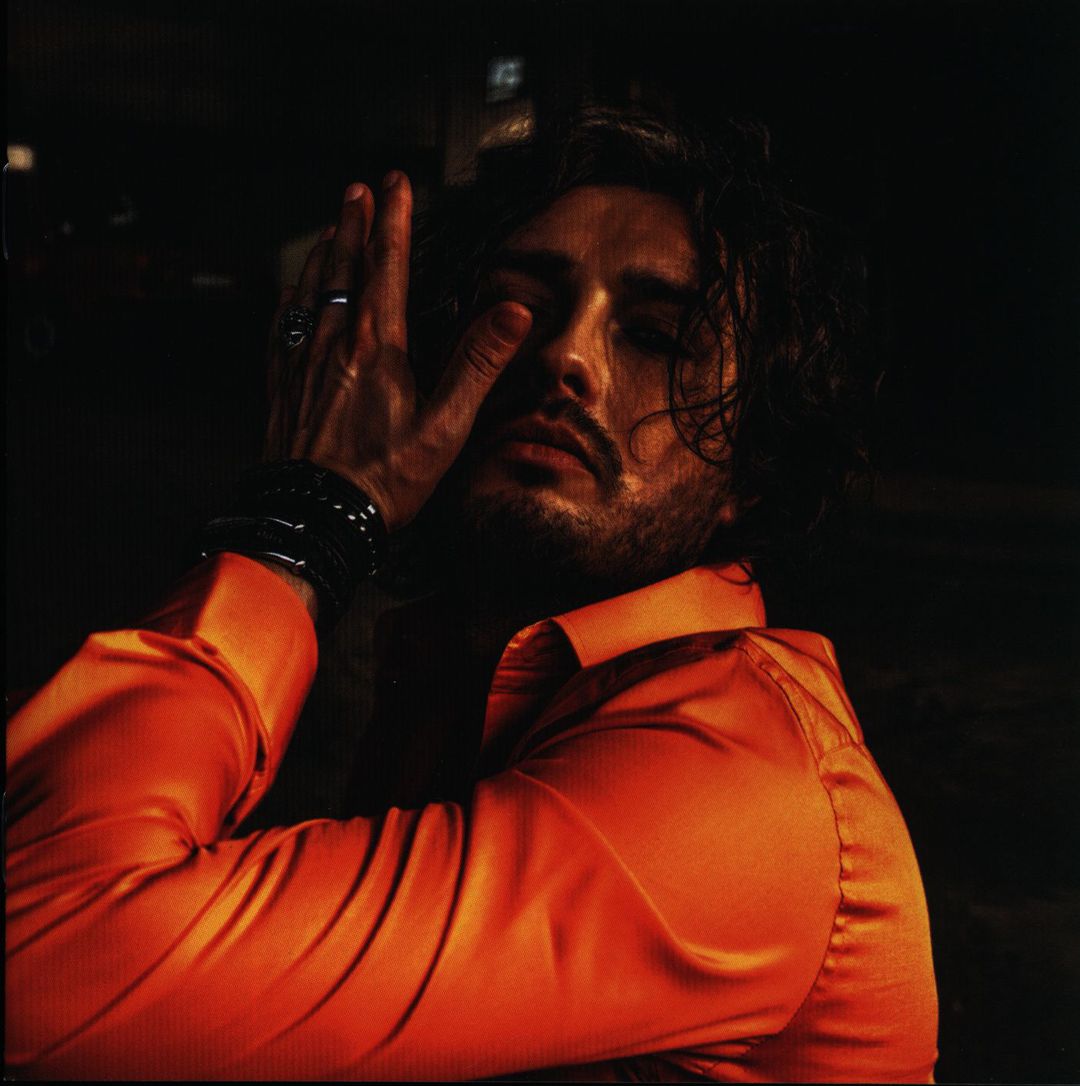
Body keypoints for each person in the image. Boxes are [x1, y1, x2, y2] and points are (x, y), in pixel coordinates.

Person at [5, 107, 938, 1081]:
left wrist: (302, 521)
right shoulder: (467, 661)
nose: (563, 358)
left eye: (657, 336)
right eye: (515, 307)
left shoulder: (735, 783)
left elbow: (48, 960)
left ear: (753, 467)